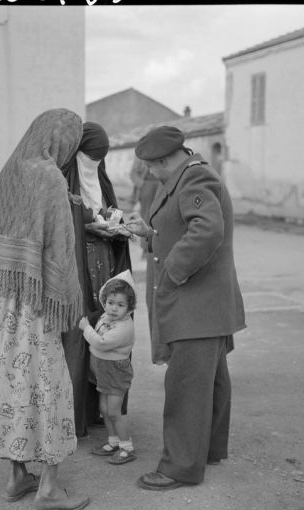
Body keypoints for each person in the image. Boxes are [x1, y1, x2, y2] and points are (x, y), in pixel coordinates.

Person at [0, 108, 90, 510]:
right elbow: (58, 248)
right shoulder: (50, 176)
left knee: (9, 380)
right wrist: (69, 297)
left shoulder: (10, 170)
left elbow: (23, 219)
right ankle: (49, 490)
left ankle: (16, 476)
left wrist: (66, 200)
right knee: (49, 382)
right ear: (63, 141)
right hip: (33, 298)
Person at [126, 125, 246, 491]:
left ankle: (180, 466)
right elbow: (184, 226)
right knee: (209, 382)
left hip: (196, 304)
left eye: (151, 168)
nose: (151, 175)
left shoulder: (194, 179)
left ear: (163, 160)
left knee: (186, 386)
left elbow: (207, 230)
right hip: (205, 306)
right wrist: (152, 235)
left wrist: (173, 270)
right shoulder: (187, 177)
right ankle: (204, 450)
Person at [61, 122, 133, 438]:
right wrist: (88, 223)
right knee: (81, 335)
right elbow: (63, 219)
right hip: (76, 269)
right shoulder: (63, 181)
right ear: (77, 154)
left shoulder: (99, 178)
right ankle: (79, 414)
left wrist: (112, 219)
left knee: (107, 324)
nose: (93, 167)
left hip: (103, 264)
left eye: (98, 161)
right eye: (88, 159)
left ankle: (106, 408)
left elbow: (105, 207)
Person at [79, 270, 137, 465]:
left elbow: (101, 342)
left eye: (120, 305)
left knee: (114, 411)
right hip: (103, 370)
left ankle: (126, 447)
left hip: (115, 371)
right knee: (104, 408)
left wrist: (86, 327)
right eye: (111, 303)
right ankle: (113, 441)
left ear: (129, 307)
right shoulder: (106, 316)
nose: (113, 309)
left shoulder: (124, 327)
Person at [130, 157, 160, 257]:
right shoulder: (141, 154)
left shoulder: (162, 148)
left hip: (161, 184)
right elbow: (133, 173)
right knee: (147, 217)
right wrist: (142, 185)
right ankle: (146, 249)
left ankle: (159, 246)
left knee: (161, 215)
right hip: (147, 185)